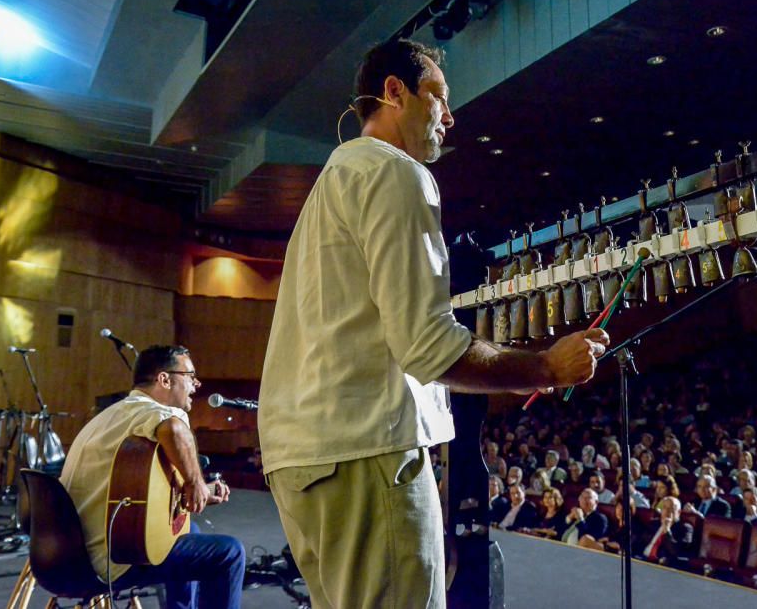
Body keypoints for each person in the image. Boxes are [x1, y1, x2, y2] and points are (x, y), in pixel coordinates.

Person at [258, 38, 610, 609]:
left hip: (307, 458)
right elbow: (428, 347)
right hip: (367, 453)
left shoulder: (337, 178)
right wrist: (544, 366)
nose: (449, 116)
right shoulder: (395, 173)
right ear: (394, 92)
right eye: (438, 97)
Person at [60, 346, 244, 609]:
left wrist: (194, 490)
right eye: (190, 375)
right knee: (229, 553)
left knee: (188, 531)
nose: (197, 383)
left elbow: (132, 490)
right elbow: (173, 428)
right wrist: (195, 482)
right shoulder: (152, 412)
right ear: (164, 379)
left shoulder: (115, 415)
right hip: (109, 560)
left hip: (65, 557)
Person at [640, 497, 692, 567]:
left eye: (671, 509)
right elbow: (640, 541)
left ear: (679, 512)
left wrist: (667, 530)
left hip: (661, 564)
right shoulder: (654, 523)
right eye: (664, 508)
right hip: (642, 559)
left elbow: (675, 551)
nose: (667, 511)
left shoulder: (686, 528)